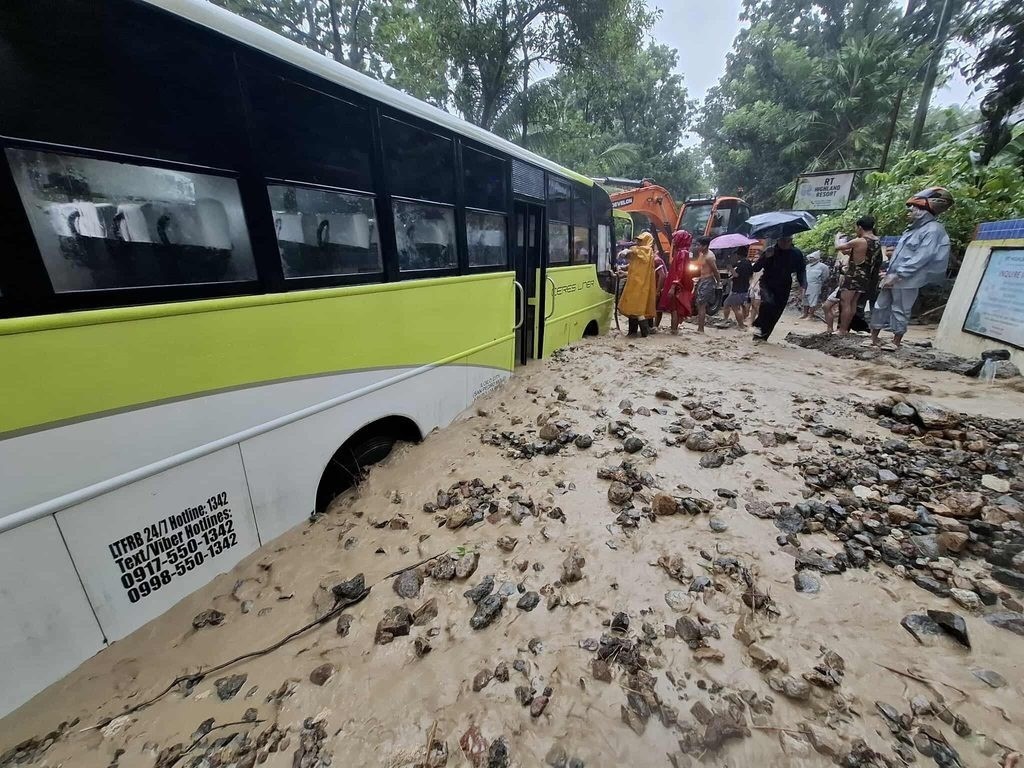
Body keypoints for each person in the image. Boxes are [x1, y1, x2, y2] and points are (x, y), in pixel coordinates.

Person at [870, 188, 953, 348]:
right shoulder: (911, 230)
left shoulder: (933, 230)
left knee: (900, 309)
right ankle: (874, 338)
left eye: (913, 208)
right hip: (893, 275)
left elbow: (923, 256)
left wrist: (899, 273)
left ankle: (896, 342)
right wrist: (890, 273)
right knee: (880, 305)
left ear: (923, 210)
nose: (909, 210)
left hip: (908, 279)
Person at [750, 234, 806, 342]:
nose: (784, 243)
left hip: (784, 284)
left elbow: (801, 271)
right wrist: (766, 257)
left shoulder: (796, 253)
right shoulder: (770, 250)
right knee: (768, 304)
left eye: (787, 240)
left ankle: (764, 336)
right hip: (767, 283)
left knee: (777, 311)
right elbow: (756, 268)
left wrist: (803, 285)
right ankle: (758, 327)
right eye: (782, 240)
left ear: (791, 240)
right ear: (778, 240)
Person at [835, 216, 882, 335]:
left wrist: (837, 238)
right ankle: (846, 328)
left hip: (853, 275)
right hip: (865, 276)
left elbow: (838, 247)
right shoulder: (877, 241)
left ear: (860, 227)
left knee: (845, 302)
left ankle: (842, 329)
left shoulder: (859, 241)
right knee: (853, 303)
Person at [617, 231, 658, 337]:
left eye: (640, 240)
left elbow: (637, 252)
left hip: (641, 286)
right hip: (633, 284)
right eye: (638, 240)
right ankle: (632, 333)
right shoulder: (639, 253)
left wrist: (628, 250)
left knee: (638, 310)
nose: (638, 242)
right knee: (632, 309)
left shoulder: (647, 251)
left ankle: (645, 334)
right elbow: (633, 262)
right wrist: (623, 269)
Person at [659, 230, 695, 334]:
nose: (673, 241)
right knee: (674, 308)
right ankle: (674, 329)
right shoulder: (682, 252)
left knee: (674, 308)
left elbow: (680, 271)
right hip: (679, 284)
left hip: (677, 285)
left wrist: (673, 286)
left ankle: (673, 330)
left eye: (675, 238)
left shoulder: (682, 253)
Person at [722, 246, 754, 328]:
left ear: (739, 255)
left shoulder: (741, 264)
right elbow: (750, 276)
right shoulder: (749, 263)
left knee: (734, 307)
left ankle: (740, 325)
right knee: (731, 305)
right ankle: (739, 323)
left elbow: (736, 275)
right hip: (744, 288)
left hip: (738, 289)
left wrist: (730, 268)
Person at [693, 236, 720, 333]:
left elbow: (715, 271)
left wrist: (719, 283)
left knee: (702, 305)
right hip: (702, 279)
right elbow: (698, 265)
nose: (696, 247)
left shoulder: (709, 257)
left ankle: (701, 329)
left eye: (698, 245)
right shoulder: (702, 254)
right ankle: (700, 327)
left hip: (708, 281)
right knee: (698, 303)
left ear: (704, 246)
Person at [801, 251, 831, 319]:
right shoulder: (807, 266)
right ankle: (805, 314)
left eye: (812, 257)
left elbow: (825, 276)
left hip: (815, 285)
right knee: (805, 300)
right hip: (806, 285)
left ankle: (810, 315)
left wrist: (819, 282)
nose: (811, 259)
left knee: (813, 300)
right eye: (810, 257)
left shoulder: (823, 266)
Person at [651, 250, 668, 330]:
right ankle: (654, 326)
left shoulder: (656, 260)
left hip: (658, 287)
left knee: (657, 308)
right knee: (657, 308)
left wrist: (658, 290)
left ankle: (654, 326)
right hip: (657, 286)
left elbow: (662, 275)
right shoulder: (655, 259)